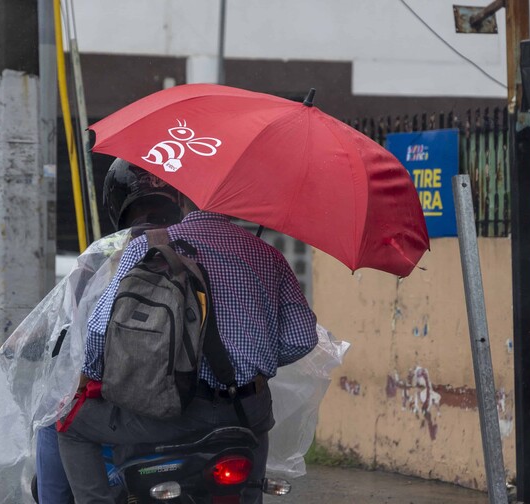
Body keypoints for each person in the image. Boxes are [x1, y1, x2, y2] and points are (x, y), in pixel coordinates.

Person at [57, 196, 319, 503]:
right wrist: (252, 361)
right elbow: (301, 338)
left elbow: (100, 329)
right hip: (247, 412)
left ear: (181, 199)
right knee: (249, 487)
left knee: (70, 426)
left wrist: (89, 375)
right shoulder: (269, 255)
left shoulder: (148, 246)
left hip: (172, 410)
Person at [35, 158, 185, 504]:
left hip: (127, 403)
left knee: (54, 419)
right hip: (206, 400)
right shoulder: (204, 248)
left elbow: (85, 338)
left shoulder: (103, 256)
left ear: (116, 202)